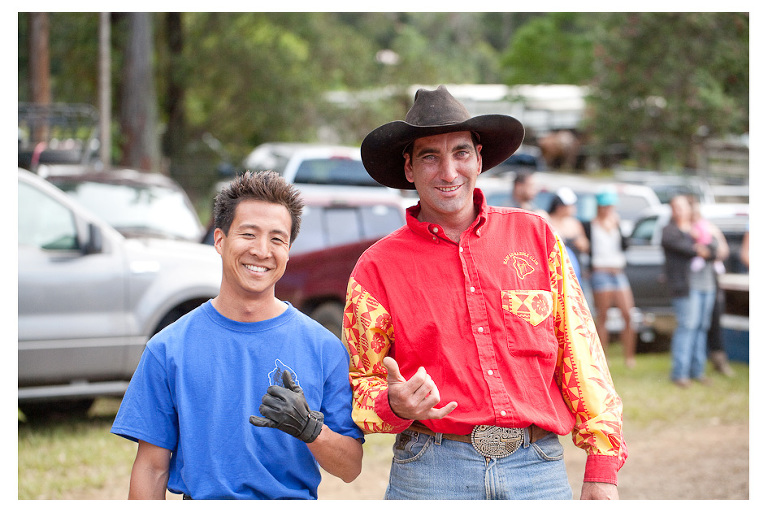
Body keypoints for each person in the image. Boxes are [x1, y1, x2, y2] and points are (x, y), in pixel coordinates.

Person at [345, 85, 626, 500]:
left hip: (538, 469)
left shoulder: (537, 237)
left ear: (478, 158)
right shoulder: (376, 268)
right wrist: (394, 403)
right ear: (408, 168)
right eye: (429, 156)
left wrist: (602, 465)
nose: (448, 171)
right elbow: (361, 385)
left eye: (460, 153)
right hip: (431, 471)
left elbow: (581, 353)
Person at [111, 171, 363, 499]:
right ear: (220, 240)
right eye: (248, 234)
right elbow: (152, 468)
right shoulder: (168, 349)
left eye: (277, 239)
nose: (261, 250)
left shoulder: (325, 348)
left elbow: (350, 467)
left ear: (288, 251)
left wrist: (310, 429)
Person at [661, 195, 720, 388]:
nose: (678, 210)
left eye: (682, 206)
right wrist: (701, 248)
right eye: (674, 206)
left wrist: (703, 247)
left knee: (702, 327)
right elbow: (687, 249)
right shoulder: (669, 231)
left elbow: (714, 247)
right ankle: (680, 373)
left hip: (707, 284)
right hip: (686, 287)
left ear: (689, 207)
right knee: (687, 326)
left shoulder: (700, 226)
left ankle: (697, 371)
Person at [586, 188, 636, 368]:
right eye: (605, 206)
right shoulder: (590, 225)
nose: (608, 209)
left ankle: (629, 357)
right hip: (600, 273)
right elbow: (588, 250)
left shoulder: (617, 223)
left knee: (628, 314)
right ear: (599, 207)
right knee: (603, 317)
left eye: (610, 206)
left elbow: (625, 246)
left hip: (618, 272)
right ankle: (602, 358)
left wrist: (619, 227)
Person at [547, 186, 589, 285]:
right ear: (560, 207)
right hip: (556, 274)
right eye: (571, 205)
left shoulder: (574, 223)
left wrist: (580, 243)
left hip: (575, 271)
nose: (574, 208)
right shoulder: (548, 221)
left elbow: (585, 245)